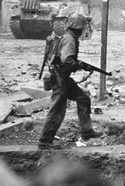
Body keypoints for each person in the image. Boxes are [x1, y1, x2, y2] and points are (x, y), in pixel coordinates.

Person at [38, 13, 101, 150]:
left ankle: (86, 131)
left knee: (83, 98)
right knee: (57, 110)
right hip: (60, 78)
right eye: (81, 28)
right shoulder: (70, 39)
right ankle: (45, 141)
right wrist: (80, 65)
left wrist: (80, 65)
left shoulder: (68, 37)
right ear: (77, 28)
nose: (82, 31)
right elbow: (67, 60)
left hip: (63, 77)